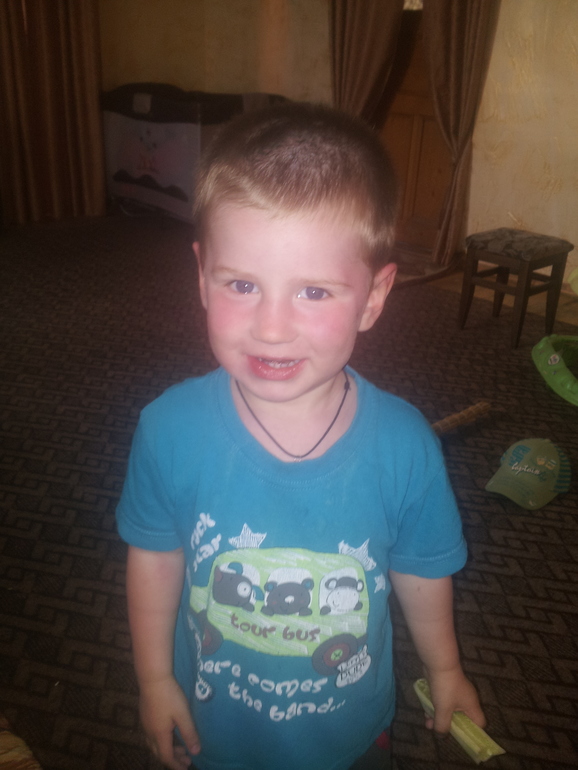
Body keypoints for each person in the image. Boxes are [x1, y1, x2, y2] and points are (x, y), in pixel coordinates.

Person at [116, 101, 485, 770]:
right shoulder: (167, 429)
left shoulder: (405, 447)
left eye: (313, 292)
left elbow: (420, 569)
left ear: (374, 297)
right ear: (202, 277)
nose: (272, 327)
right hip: (211, 729)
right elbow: (156, 559)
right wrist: (155, 678)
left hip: (349, 738)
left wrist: (446, 667)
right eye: (242, 284)